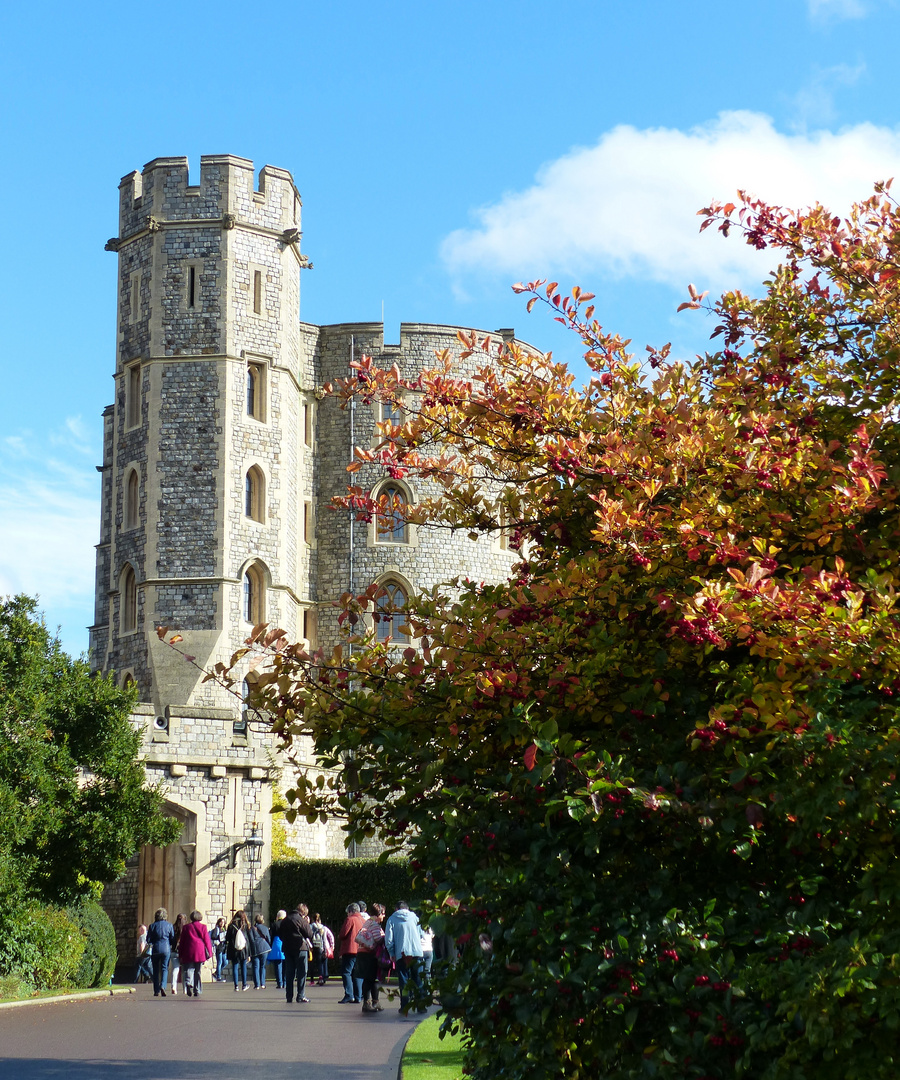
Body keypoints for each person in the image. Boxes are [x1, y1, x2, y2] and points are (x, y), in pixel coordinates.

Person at [384, 901, 424, 1014]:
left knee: (404, 980)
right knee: (418, 979)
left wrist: (391, 953)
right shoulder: (415, 918)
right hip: (417, 952)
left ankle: (405, 1006)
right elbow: (421, 934)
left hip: (402, 953)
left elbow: (389, 939)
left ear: (396, 909)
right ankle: (421, 1006)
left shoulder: (392, 919)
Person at [277, 902, 314, 1004]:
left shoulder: (285, 921)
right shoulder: (301, 920)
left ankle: (289, 996)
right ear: (303, 912)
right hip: (300, 948)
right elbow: (309, 934)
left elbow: (280, 935)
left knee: (289, 973)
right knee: (302, 972)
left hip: (287, 948)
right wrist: (307, 923)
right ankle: (300, 995)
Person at [355, 903, 386, 1013]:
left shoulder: (367, 922)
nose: (384, 916)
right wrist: (385, 938)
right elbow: (378, 939)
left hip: (362, 952)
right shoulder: (374, 924)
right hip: (370, 954)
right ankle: (367, 1003)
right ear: (378, 914)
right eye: (383, 913)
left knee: (371, 979)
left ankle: (375, 1002)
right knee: (370, 979)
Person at [179, 911, 213, 997]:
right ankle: (196, 989)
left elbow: (182, 941)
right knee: (198, 971)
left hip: (189, 950)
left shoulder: (186, 927)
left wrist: (180, 953)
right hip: (200, 951)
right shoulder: (203, 927)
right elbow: (207, 940)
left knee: (189, 969)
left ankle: (188, 982)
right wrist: (209, 952)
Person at [337, 902, 366, 1004]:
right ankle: (358, 996)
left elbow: (343, 934)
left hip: (350, 949)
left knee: (346, 972)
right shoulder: (363, 920)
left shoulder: (350, 919)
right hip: (361, 950)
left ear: (350, 911)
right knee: (357, 973)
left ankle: (349, 995)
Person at [146, 908, 175, 997]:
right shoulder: (169, 925)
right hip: (166, 949)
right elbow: (172, 938)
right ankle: (163, 985)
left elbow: (148, 939)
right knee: (164, 968)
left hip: (155, 949)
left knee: (155, 970)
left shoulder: (152, 926)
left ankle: (156, 990)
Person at [226, 910, 251, 991]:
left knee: (235, 966)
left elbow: (227, 938)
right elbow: (248, 938)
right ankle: (244, 985)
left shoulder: (231, 926)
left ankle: (236, 986)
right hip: (243, 949)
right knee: (243, 965)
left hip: (233, 948)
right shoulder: (245, 925)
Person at [310, 913, 334, 985]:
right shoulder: (323, 928)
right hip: (323, 946)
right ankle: (323, 976)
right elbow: (330, 936)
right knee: (322, 962)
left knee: (314, 963)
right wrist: (332, 945)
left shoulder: (311, 926)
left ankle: (314, 979)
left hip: (313, 946)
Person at [249, 913, 271, 989]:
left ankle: (257, 984)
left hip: (255, 949)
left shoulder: (252, 928)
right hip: (264, 948)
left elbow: (251, 940)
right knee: (263, 966)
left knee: (255, 966)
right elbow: (269, 939)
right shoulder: (265, 928)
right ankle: (263, 983)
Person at [169, 913, 186, 994]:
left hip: (174, 950)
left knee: (175, 969)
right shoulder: (186, 928)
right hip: (183, 951)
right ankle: (185, 989)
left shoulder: (173, 927)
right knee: (184, 970)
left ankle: (174, 987)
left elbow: (171, 940)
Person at [269, 910, 286, 989]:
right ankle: (285, 982)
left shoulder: (274, 924)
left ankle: (279, 983)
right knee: (286, 964)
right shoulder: (287, 924)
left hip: (276, 943)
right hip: (285, 942)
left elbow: (271, 936)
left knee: (278, 964)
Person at [210, 917, 228, 981]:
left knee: (225, 962)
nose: (222, 923)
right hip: (219, 947)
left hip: (223, 948)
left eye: (223, 922)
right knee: (219, 962)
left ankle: (216, 972)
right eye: (221, 922)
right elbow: (213, 936)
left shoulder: (224, 929)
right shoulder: (216, 929)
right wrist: (219, 937)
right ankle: (218, 976)